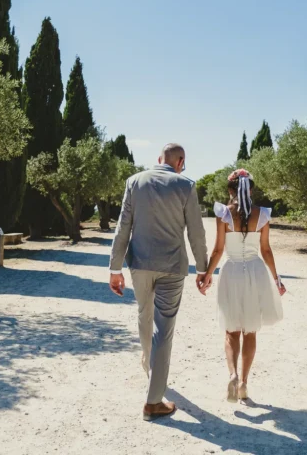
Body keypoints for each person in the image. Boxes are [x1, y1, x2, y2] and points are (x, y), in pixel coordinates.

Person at [109, 143, 209, 421]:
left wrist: (114, 268)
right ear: (180, 162)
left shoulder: (134, 182)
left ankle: (148, 363)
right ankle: (153, 402)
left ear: (158, 160)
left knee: (144, 313)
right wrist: (203, 268)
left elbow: (123, 226)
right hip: (172, 267)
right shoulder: (186, 186)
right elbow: (196, 232)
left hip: (139, 264)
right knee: (164, 329)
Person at [202, 169, 286, 402]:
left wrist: (207, 275)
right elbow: (266, 250)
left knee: (231, 331)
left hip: (231, 271)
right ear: (251, 189)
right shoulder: (263, 215)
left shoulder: (224, 214)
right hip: (255, 271)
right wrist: (276, 278)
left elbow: (218, 250)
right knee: (250, 331)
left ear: (231, 190)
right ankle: (244, 383)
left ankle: (232, 374)